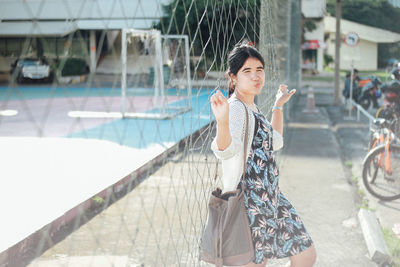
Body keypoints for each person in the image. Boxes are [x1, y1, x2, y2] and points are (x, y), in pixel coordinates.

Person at [209, 44, 316, 267]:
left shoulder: (252, 108)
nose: (256, 76)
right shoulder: (236, 109)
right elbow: (225, 150)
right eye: (247, 71)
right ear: (233, 77)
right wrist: (222, 121)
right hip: (250, 202)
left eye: (260, 69)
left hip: (272, 199)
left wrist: (278, 105)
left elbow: (274, 141)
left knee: (305, 254)